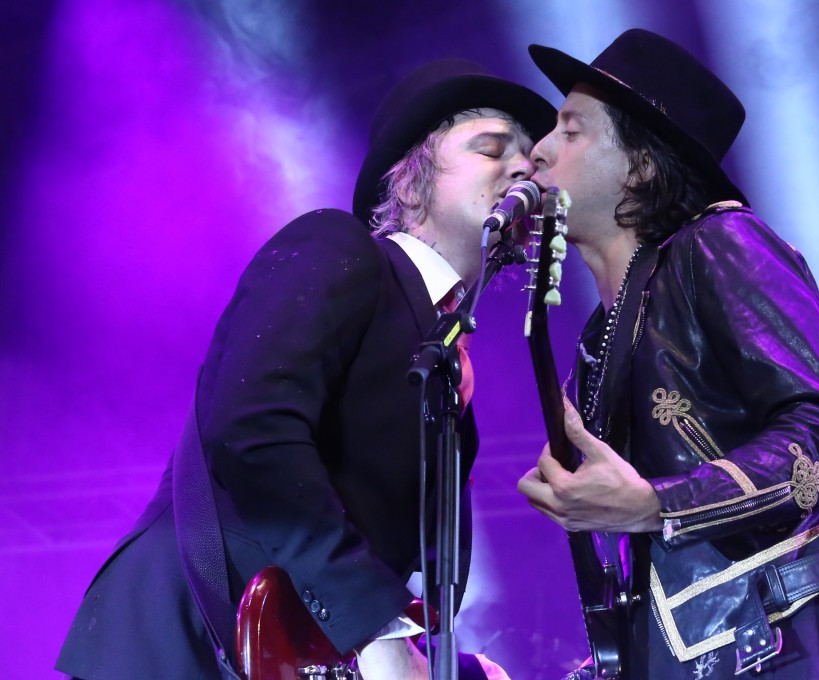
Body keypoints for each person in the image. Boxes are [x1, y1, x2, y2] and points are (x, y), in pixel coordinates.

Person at [56, 58, 555, 680]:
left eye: (531, 157)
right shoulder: (339, 248)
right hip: (183, 643)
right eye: (492, 148)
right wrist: (375, 627)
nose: (523, 167)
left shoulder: (448, 351)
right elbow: (252, 429)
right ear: (410, 184)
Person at [516, 29, 819, 679]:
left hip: (790, 651)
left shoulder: (720, 243)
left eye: (571, 130)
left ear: (642, 165)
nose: (539, 149)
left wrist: (659, 503)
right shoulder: (597, 340)